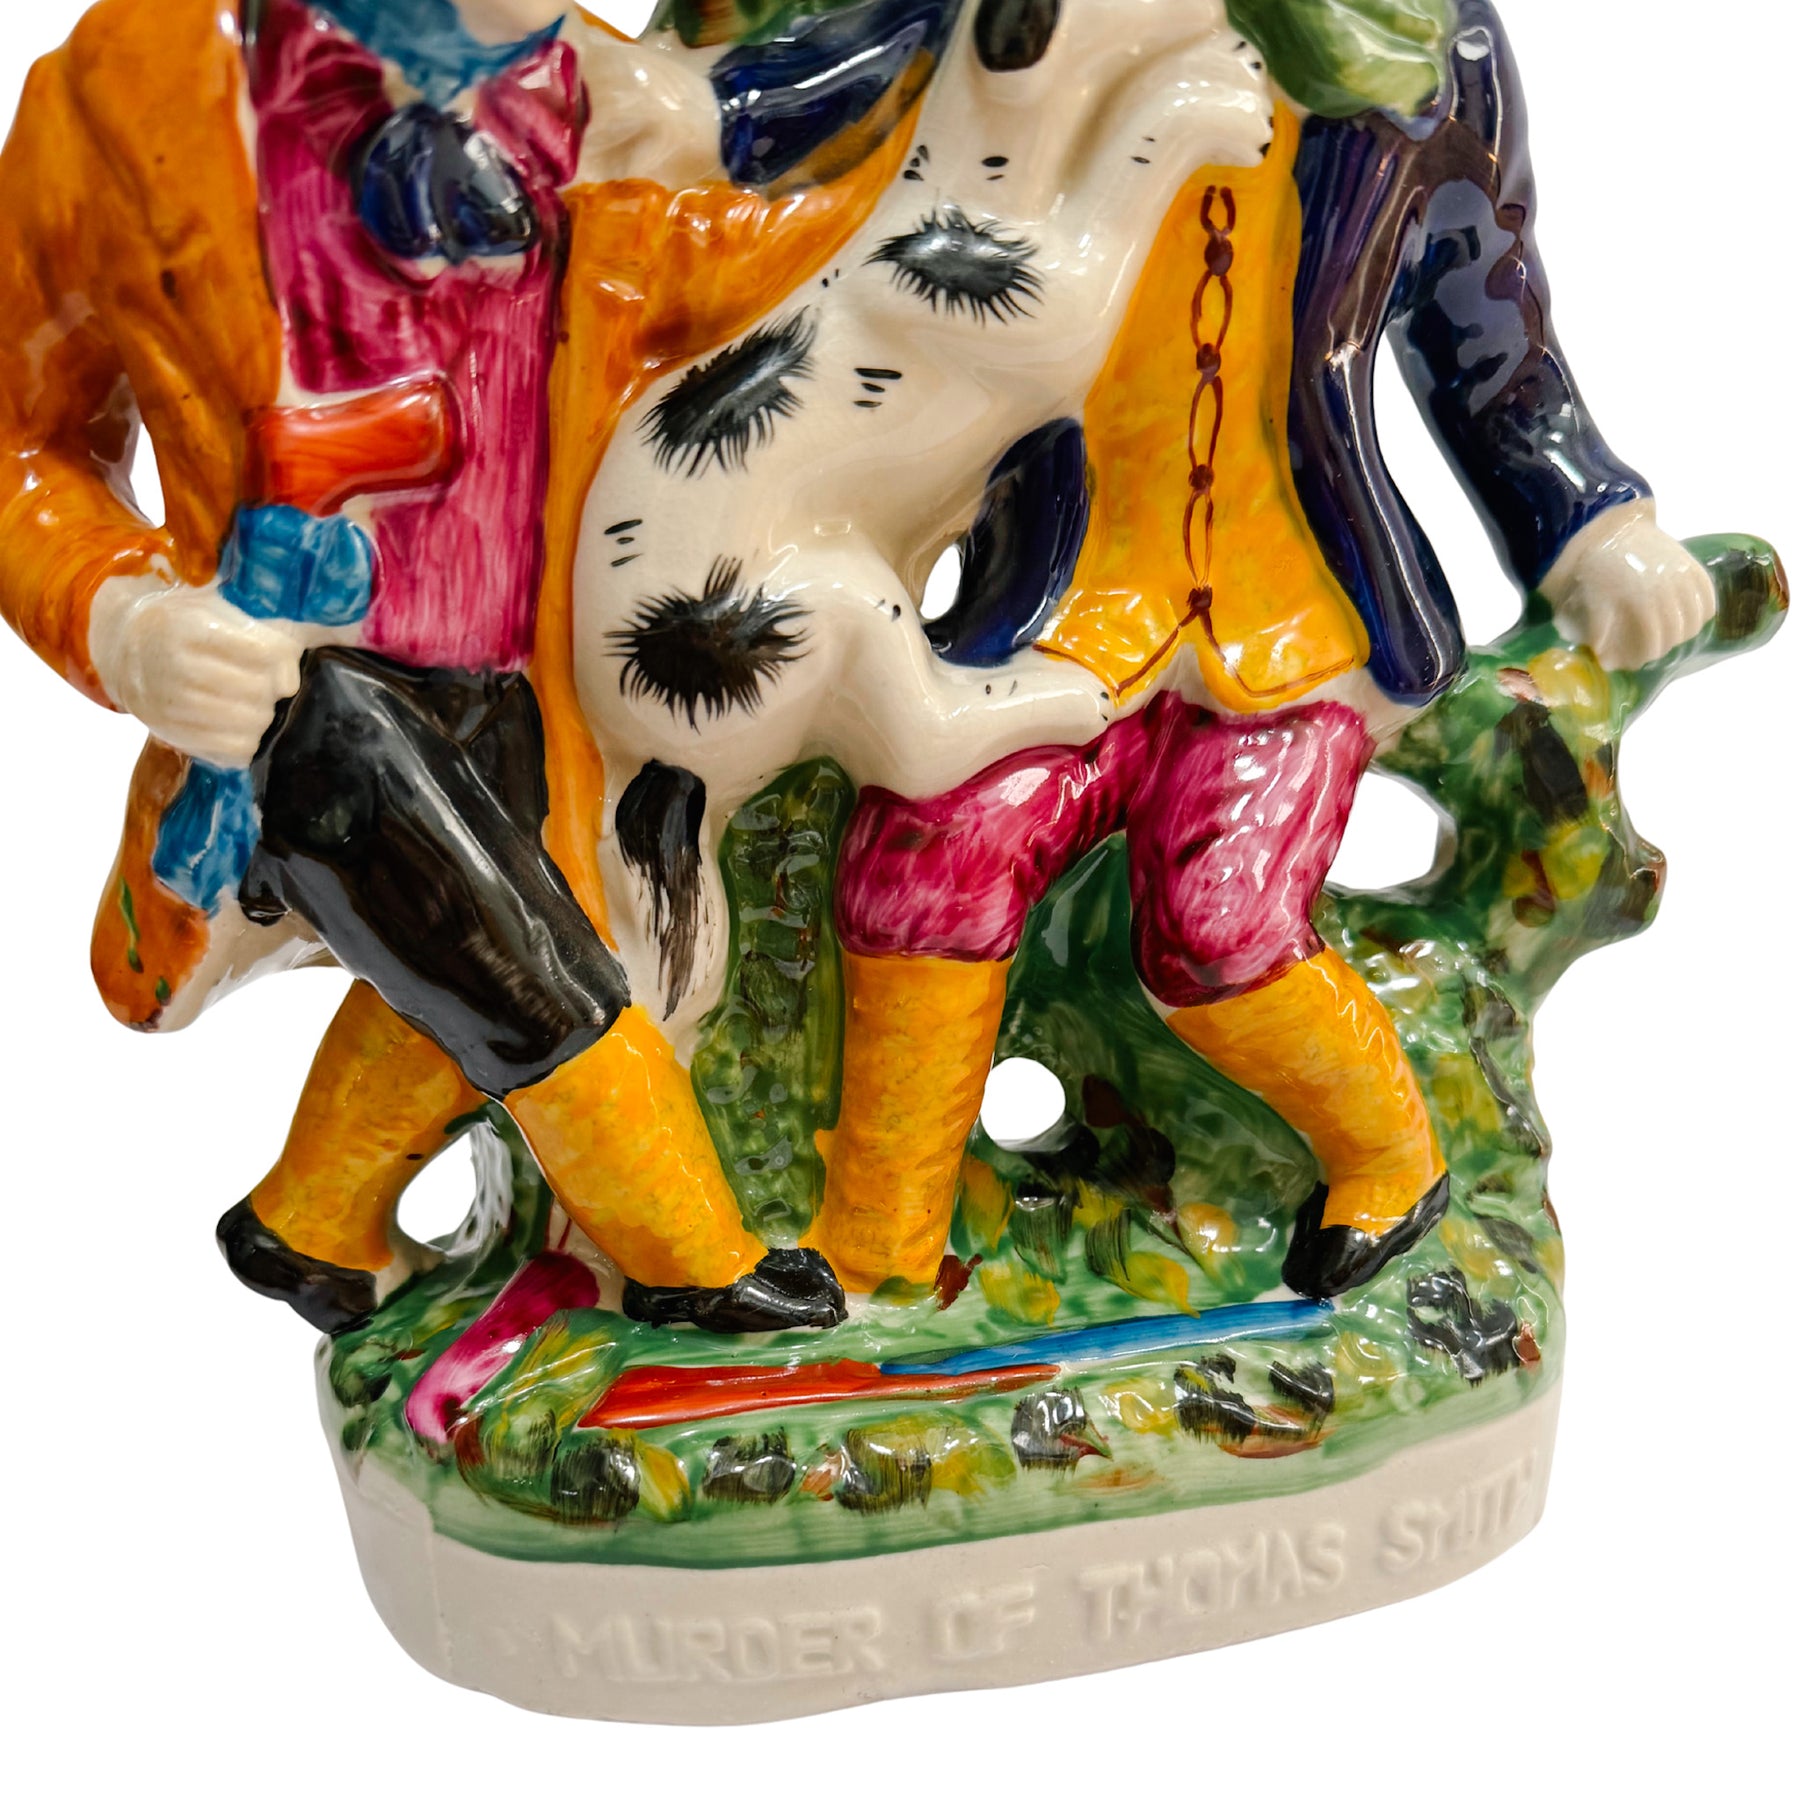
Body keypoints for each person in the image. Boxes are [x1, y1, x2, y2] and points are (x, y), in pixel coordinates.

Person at [0, 0, 918, 1332]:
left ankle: (309, 1226)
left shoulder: (588, 93)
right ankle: (693, 1258)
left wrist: (924, 137)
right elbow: (18, 443)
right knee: (540, 982)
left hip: (517, 670)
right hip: (301, 689)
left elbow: (705, 267)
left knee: (464, 957)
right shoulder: (127, 99)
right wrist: (124, 622)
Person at [811, 0, 1718, 1300]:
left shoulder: (1419, 44)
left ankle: (1392, 1161)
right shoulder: (1017, 21)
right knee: (934, 852)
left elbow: (1485, 308)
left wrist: (1592, 520)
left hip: (1299, 623)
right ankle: (878, 1255)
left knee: (1224, 924)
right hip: (1068, 607)